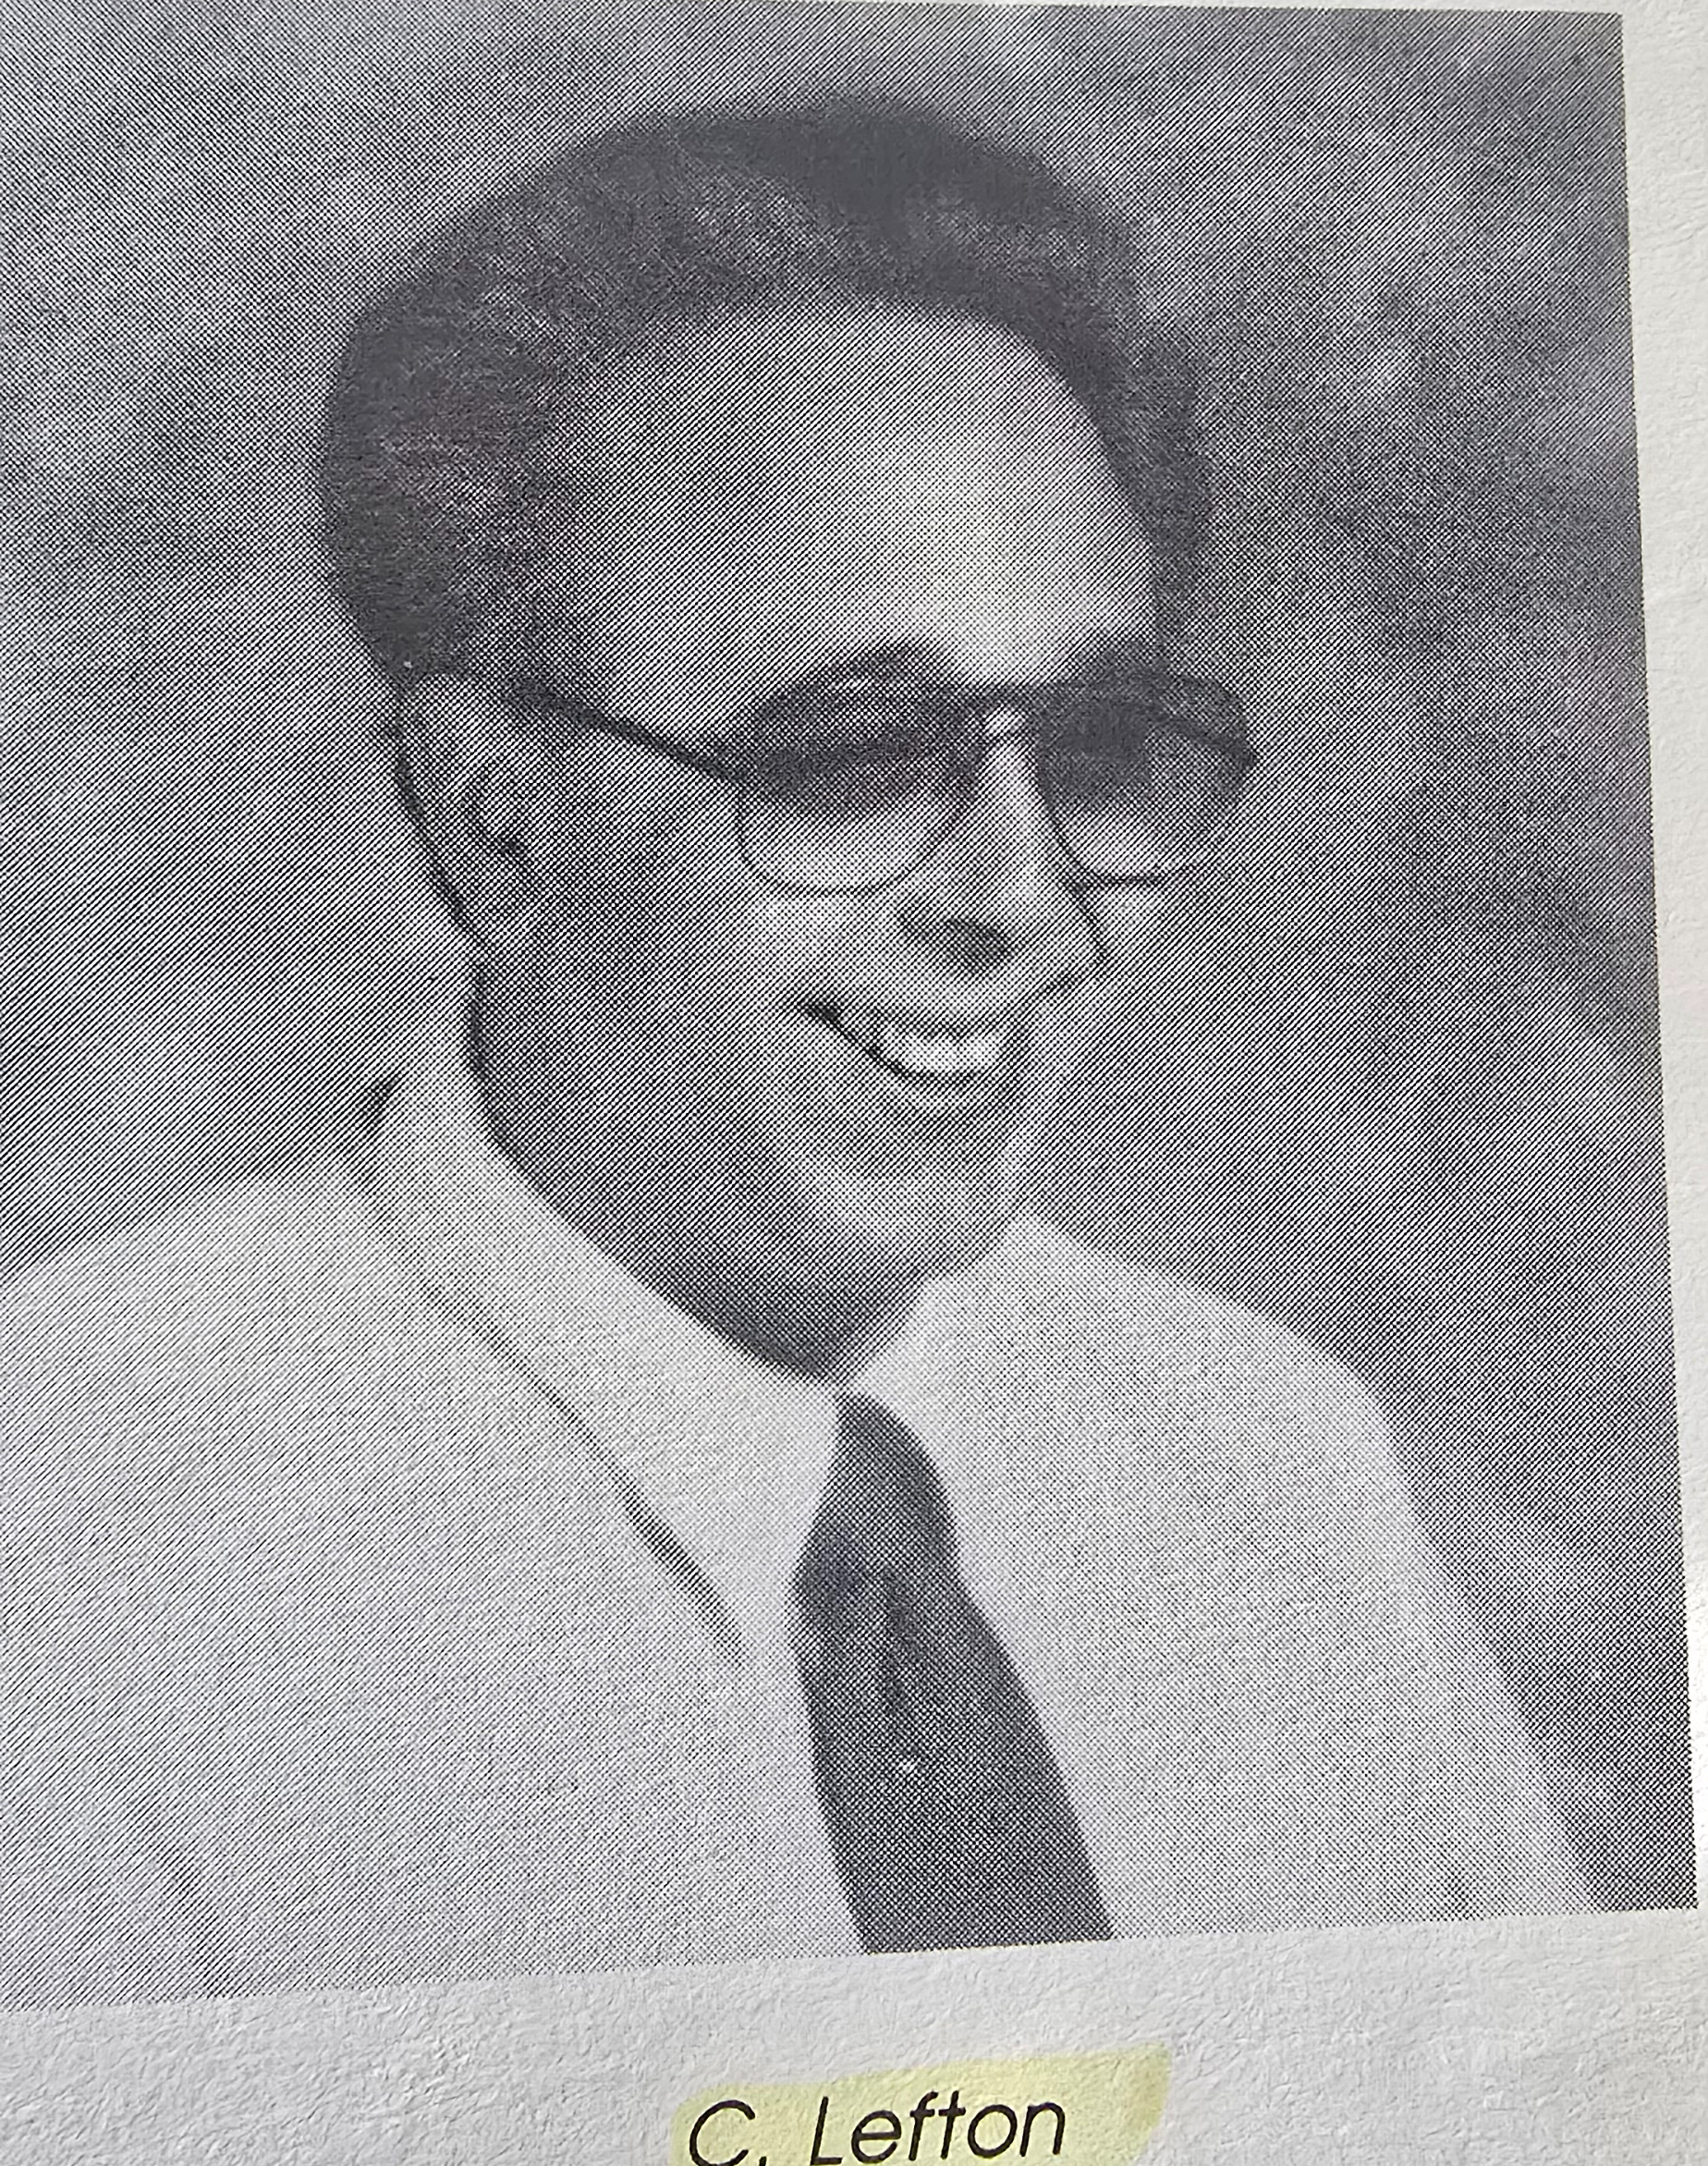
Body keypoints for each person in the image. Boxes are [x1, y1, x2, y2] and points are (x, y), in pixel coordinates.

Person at [0, 100, 1586, 2010]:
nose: (1020, 897)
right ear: (495, 818)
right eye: (852, 755)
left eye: (1096, 747)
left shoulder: (1282, 1475)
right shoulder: (66, 1549)